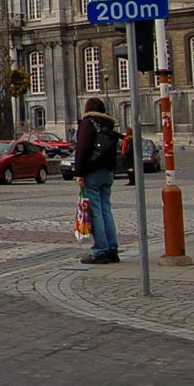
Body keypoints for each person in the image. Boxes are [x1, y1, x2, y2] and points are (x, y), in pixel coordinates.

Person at [74, 96, 121, 264]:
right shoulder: (108, 124)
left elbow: (82, 149)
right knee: (106, 210)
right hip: (107, 172)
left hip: (92, 172)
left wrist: (79, 173)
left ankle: (100, 250)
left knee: (95, 211)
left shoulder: (88, 123)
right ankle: (112, 249)